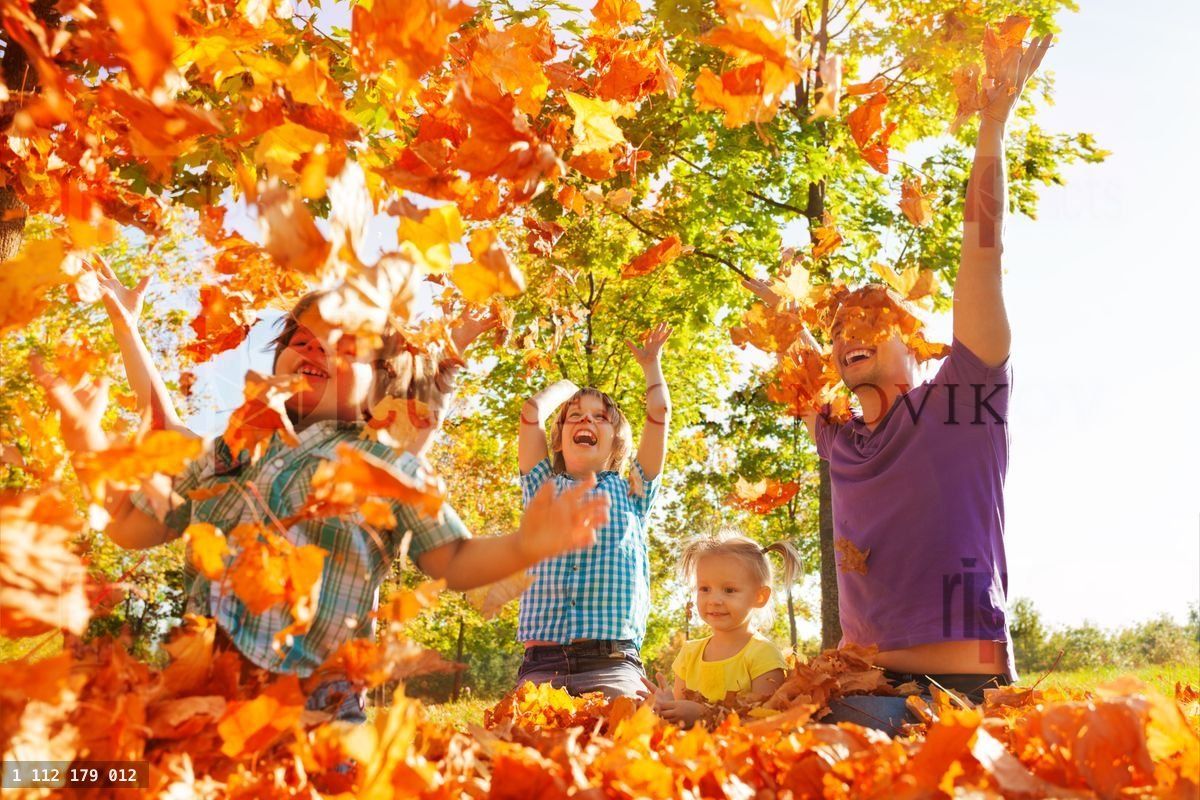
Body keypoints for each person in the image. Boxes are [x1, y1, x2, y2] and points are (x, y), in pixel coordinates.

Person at [33, 285, 611, 723]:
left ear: (381, 384)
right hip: (200, 683)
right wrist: (90, 455)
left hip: (322, 699)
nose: (312, 347)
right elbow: (133, 527)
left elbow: (453, 559)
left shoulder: (388, 466)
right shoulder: (230, 448)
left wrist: (524, 544)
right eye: (298, 340)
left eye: (340, 346)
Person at [743, 34, 1053, 733]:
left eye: (868, 318)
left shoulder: (964, 401)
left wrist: (992, 128)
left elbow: (984, 249)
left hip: (957, 684)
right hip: (863, 683)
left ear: (911, 336)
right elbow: (791, 340)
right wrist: (776, 303)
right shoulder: (837, 435)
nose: (848, 331)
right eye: (838, 325)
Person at [513, 323, 672, 698]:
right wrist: (569, 388)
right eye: (575, 416)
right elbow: (530, 413)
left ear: (616, 441)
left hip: (613, 664)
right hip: (541, 666)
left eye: (600, 417)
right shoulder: (541, 488)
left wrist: (652, 366)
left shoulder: (633, 489)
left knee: (624, 744)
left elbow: (660, 413)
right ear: (560, 437)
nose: (586, 420)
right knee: (522, 748)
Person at [651, 533, 801, 727]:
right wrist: (669, 707)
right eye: (704, 589)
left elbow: (766, 722)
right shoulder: (689, 654)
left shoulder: (763, 655)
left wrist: (707, 716)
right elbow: (682, 717)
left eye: (729, 590)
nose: (714, 600)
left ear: (760, 596)